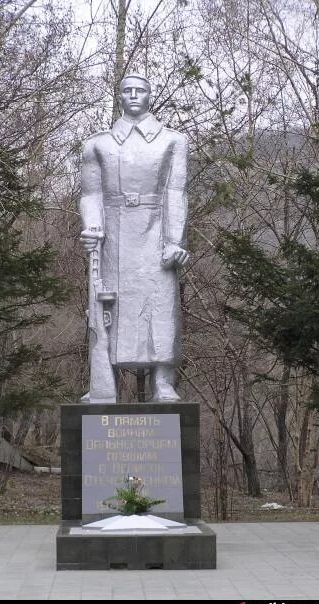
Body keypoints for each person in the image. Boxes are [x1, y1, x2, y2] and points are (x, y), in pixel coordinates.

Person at [80, 73, 189, 401]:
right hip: (111, 234)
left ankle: (163, 383)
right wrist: (92, 227)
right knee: (108, 307)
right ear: (119, 97)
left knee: (161, 304)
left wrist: (174, 240)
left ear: (150, 95)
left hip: (155, 230)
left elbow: (176, 191)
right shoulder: (97, 144)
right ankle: (103, 386)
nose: (133, 95)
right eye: (126, 90)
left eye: (140, 90)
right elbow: (90, 194)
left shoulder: (173, 140)